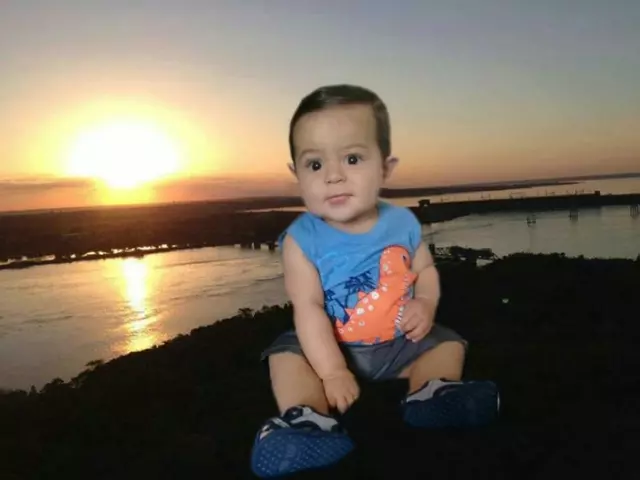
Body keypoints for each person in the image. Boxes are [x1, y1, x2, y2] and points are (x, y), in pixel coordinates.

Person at [250, 84, 499, 478]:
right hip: (328, 345)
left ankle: (432, 391)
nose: (333, 176)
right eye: (314, 164)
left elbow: (425, 271)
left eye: (352, 158)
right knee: (285, 355)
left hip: (399, 343)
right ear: (296, 173)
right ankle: (306, 419)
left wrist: (425, 302)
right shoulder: (301, 241)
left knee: (447, 342)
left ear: (385, 168)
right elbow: (308, 307)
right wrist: (332, 372)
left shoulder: (402, 224)